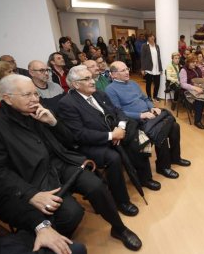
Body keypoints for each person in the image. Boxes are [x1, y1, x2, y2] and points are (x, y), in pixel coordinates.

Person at [0, 74, 142, 251]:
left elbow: (70, 141)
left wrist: (53, 122)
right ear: (7, 98)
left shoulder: (39, 111)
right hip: (34, 177)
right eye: (27, 95)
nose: (34, 99)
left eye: (35, 94)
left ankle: (119, 228)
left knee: (96, 186)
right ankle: (50, 246)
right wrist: (31, 194)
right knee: (72, 213)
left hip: (61, 162)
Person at [58, 65, 158, 214]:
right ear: (75, 84)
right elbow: (79, 134)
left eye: (91, 77)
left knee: (137, 138)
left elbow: (118, 112)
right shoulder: (67, 103)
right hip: (92, 143)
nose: (92, 81)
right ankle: (122, 201)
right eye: (87, 79)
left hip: (115, 131)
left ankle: (144, 178)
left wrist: (121, 128)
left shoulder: (99, 94)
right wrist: (111, 136)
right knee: (114, 157)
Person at [106, 61, 191, 179]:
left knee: (174, 126)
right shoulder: (110, 90)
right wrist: (141, 115)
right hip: (136, 121)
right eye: (123, 70)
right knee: (162, 130)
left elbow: (145, 98)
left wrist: (152, 107)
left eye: (127, 69)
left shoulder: (133, 83)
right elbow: (118, 112)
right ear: (113, 75)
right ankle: (163, 167)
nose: (127, 72)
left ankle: (175, 158)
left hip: (150, 115)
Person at [179, 54, 204, 129]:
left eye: (196, 62)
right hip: (188, 90)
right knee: (200, 99)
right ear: (188, 62)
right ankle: (197, 120)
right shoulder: (183, 70)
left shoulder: (197, 68)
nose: (195, 63)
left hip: (199, 87)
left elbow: (201, 79)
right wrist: (194, 88)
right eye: (192, 62)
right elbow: (183, 84)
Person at [141, 34, 163, 102]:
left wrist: (160, 68)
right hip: (148, 68)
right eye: (150, 38)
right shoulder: (144, 46)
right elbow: (142, 57)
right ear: (148, 38)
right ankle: (149, 97)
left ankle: (155, 96)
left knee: (157, 84)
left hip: (157, 68)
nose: (152, 39)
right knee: (148, 83)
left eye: (153, 38)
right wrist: (142, 69)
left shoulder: (157, 46)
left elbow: (159, 58)